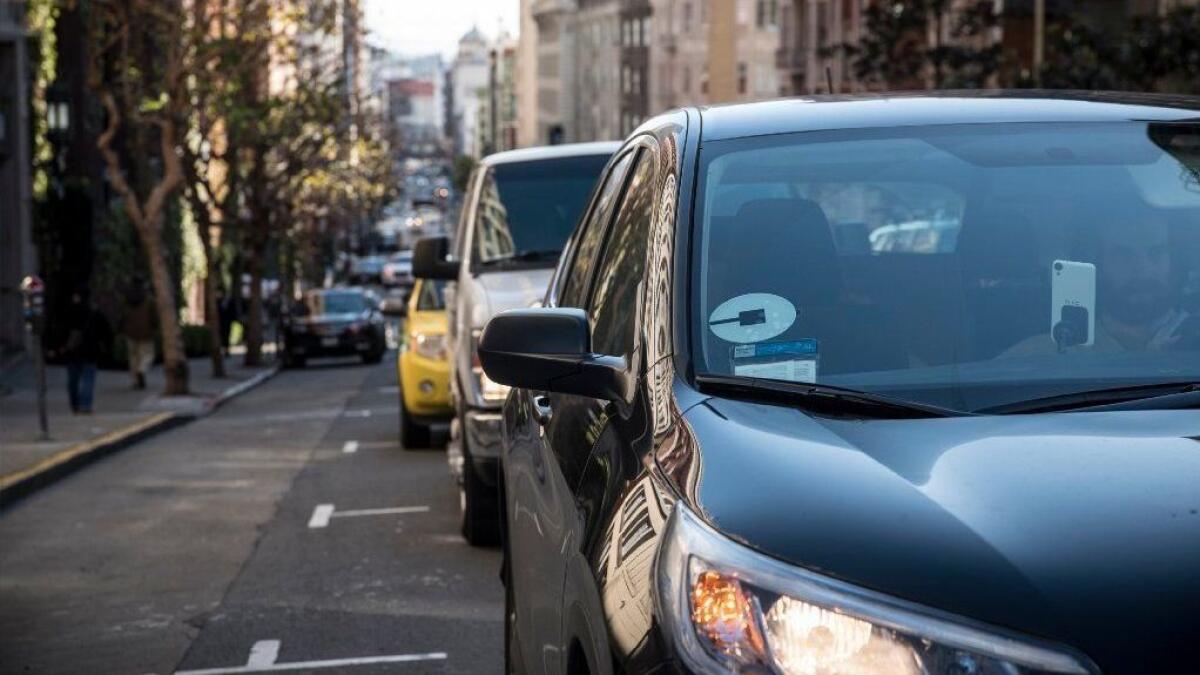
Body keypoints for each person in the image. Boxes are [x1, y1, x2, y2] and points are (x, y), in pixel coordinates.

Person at [1003, 209, 1195, 356]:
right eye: (1123, 255)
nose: (1143, 270)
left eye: (1157, 252)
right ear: (1095, 263)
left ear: (1176, 262)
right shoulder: (1041, 356)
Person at [54, 291, 107, 414]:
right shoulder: (93, 313)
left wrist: (59, 346)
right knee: (88, 379)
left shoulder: (68, 313)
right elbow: (105, 331)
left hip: (73, 352)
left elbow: (60, 331)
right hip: (89, 352)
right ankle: (85, 405)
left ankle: (75, 404)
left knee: (73, 380)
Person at [120, 280, 156, 389]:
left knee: (133, 357)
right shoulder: (149, 300)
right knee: (148, 354)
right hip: (145, 332)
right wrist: (154, 327)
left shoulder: (127, 299)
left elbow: (122, 316)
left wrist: (122, 329)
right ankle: (142, 370)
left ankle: (136, 380)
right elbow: (154, 317)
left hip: (130, 332)